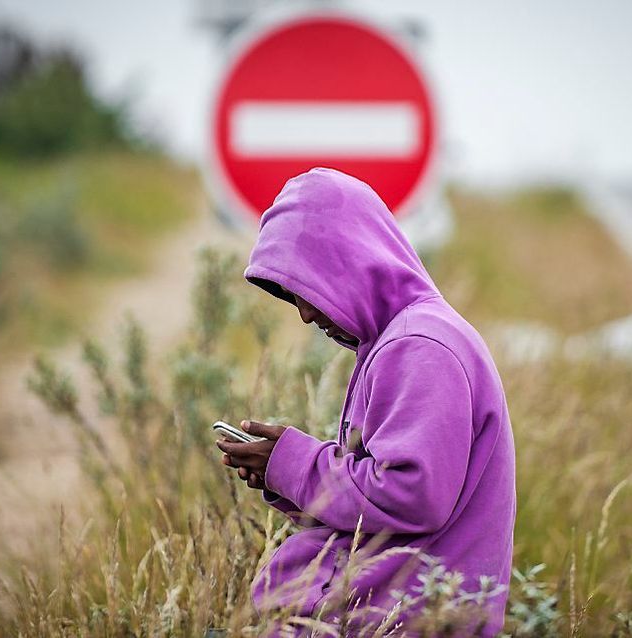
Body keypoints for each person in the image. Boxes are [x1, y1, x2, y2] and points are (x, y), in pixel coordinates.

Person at [215, 167, 516, 636]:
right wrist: (287, 475)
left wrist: (297, 465)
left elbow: (412, 497)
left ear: (352, 260)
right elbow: (389, 509)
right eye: (294, 297)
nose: (306, 314)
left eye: (308, 289)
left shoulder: (419, 346)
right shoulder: (406, 338)